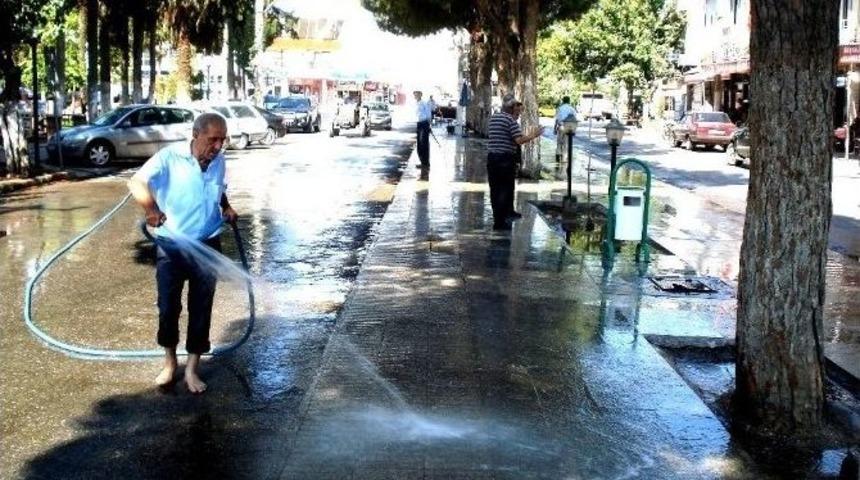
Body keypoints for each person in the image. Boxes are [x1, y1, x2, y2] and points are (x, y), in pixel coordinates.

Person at [127, 112, 238, 394]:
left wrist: (225, 206)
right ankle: (169, 363)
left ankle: (191, 369)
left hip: (207, 242)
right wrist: (151, 210)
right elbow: (136, 182)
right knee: (168, 308)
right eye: (212, 140)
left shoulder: (218, 161)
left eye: (222, 141)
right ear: (196, 134)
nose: (217, 147)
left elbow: (217, 189)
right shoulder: (169, 158)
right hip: (172, 245)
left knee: (201, 309)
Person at [486, 93, 544, 231]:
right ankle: (501, 222)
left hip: (492, 158)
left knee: (495, 190)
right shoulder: (510, 121)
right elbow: (519, 140)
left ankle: (499, 218)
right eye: (516, 109)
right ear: (511, 108)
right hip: (505, 159)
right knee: (504, 191)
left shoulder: (494, 118)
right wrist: (533, 135)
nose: (518, 112)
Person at [553, 96, 578, 163]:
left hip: (560, 126)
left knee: (559, 143)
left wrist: (555, 128)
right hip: (568, 128)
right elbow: (574, 120)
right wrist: (574, 130)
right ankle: (564, 158)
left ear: (563, 101)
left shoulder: (559, 108)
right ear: (569, 101)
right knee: (565, 144)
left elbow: (557, 119)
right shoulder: (572, 109)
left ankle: (558, 156)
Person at [414, 91, 432, 169]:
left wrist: (428, 125)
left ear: (421, 95)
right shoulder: (416, 104)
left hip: (424, 123)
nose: (416, 96)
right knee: (419, 145)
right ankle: (422, 162)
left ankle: (426, 163)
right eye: (415, 94)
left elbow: (428, 114)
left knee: (423, 144)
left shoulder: (424, 103)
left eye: (417, 94)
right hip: (419, 124)